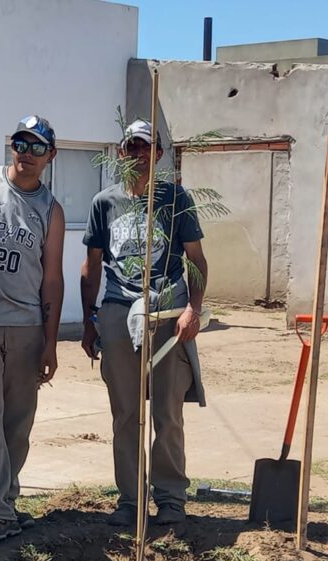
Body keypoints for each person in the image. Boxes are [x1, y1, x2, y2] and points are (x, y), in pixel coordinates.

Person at [80, 119, 208, 527]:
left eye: (144, 147)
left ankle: (171, 498)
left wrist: (194, 310)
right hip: (119, 309)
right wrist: (89, 319)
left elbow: (196, 260)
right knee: (126, 413)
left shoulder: (175, 199)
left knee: (167, 412)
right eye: (130, 146)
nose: (136, 153)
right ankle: (131, 501)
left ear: (157, 154)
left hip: (168, 310)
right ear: (121, 152)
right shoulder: (104, 202)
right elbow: (93, 265)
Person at [0, 115, 66, 545]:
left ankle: (6, 499)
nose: (27, 153)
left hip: (27, 328)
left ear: (51, 156)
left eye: (38, 147)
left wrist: (51, 341)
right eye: (21, 143)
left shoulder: (51, 210)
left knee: (17, 423)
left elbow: (52, 278)